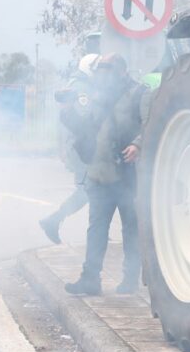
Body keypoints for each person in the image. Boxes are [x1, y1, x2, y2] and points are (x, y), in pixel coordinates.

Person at [63, 53, 146, 296]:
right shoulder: (98, 96)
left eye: (107, 68)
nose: (102, 73)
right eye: (100, 69)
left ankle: (130, 278)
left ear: (122, 70)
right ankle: (90, 279)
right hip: (99, 174)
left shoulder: (140, 93)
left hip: (128, 175)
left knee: (131, 229)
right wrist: (67, 110)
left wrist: (138, 144)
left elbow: (152, 123)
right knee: (96, 229)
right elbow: (85, 129)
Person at [39, 53, 99, 244]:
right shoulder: (82, 88)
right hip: (82, 149)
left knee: (93, 191)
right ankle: (53, 220)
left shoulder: (78, 84)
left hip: (80, 147)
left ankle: (98, 231)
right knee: (87, 191)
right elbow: (83, 118)